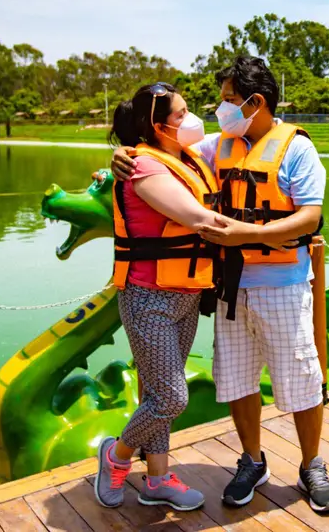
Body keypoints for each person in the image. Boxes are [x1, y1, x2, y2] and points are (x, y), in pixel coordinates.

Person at [109, 57, 329, 512]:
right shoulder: (220, 146)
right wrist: (120, 155)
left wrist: (246, 234)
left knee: (301, 378)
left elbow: (310, 215)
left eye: (230, 100)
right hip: (229, 285)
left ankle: (312, 464)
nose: (221, 109)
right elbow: (163, 158)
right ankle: (252, 460)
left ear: (256, 103)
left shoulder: (297, 150)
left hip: (284, 282)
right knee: (237, 379)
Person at [94, 82, 219, 511]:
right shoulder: (142, 166)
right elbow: (194, 216)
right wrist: (259, 235)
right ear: (156, 125)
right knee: (171, 397)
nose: (191, 119)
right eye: (182, 114)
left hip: (186, 294)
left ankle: (158, 478)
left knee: (158, 397)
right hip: (150, 298)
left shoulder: (190, 157)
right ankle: (117, 455)